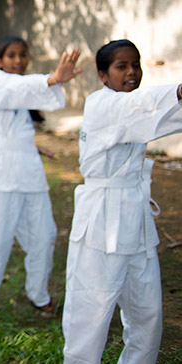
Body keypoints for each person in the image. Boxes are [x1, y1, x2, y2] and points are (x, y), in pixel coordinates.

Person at [62, 39, 182, 364]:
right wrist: (179, 92)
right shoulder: (102, 105)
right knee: (90, 313)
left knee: (148, 315)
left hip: (136, 221)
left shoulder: (128, 103)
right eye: (121, 66)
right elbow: (144, 109)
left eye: (136, 64)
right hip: (102, 222)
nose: (132, 72)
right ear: (102, 75)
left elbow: (153, 115)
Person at [0, 36, 82, 312]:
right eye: (11, 55)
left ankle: (38, 295)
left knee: (44, 237)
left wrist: (34, 147)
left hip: (29, 174)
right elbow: (20, 90)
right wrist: (53, 78)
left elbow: (11, 129)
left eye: (23, 55)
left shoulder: (21, 93)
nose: (18, 61)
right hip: (1, 178)